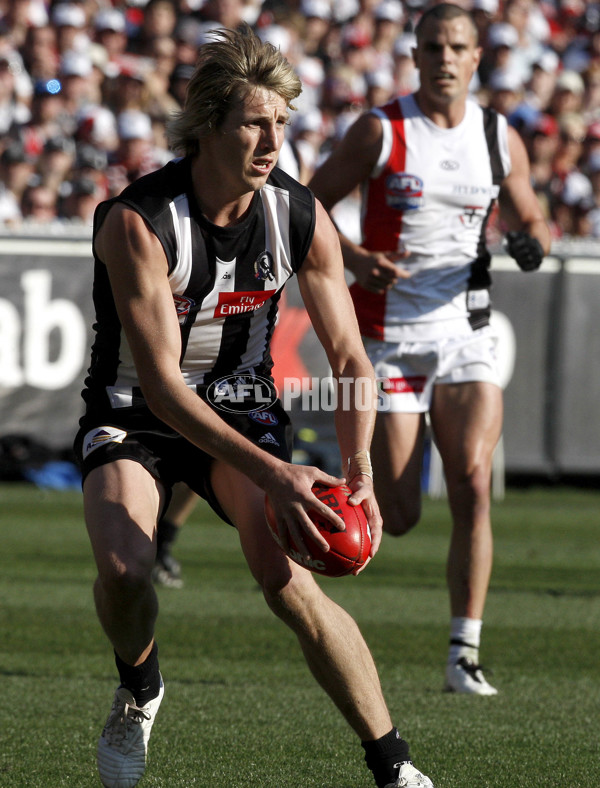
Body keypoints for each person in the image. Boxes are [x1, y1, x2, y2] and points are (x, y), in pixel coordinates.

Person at [73, 25, 434, 788]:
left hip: (240, 409)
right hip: (137, 408)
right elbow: (165, 386)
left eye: (281, 123)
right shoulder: (138, 222)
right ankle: (139, 690)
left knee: (289, 580)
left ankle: (395, 767)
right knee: (125, 567)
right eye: (253, 123)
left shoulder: (298, 214)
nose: (273, 140)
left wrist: (358, 463)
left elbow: (348, 359)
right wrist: (276, 474)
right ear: (208, 125)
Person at [309, 3, 551, 696]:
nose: (445, 57)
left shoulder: (499, 137)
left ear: (478, 57)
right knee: (403, 515)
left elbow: (531, 213)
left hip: (466, 331)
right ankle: (308, 491)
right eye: (433, 46)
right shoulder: (380, 131)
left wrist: (534, 239)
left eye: (457, 46)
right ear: (414, 56)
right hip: (385, 338)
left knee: (474, 481)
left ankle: (463, 653)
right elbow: (310, 205)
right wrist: (354, 258)